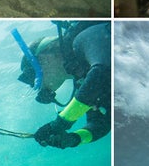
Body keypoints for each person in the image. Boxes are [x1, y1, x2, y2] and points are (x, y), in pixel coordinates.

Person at [16, 21, 110, 149]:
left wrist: (61, 123)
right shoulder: (82, 80)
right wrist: (74, 138)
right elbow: (101, 123)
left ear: (45, 54)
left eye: (32, 74)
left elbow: (103, 72)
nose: (36, 86)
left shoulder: (83, 39)